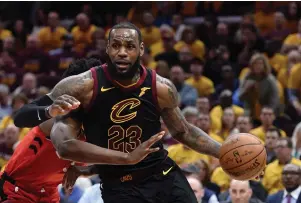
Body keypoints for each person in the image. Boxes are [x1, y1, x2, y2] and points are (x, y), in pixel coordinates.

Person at [48, 22, 223, 203]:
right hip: (120, 186)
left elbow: (183, 131)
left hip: (162, 175)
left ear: (141, 50)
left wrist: (224, 152)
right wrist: (93, 167)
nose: (122, 52)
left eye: (130, 46)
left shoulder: (159, 87)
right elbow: (65, 146)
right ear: (107, 49)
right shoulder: (82, 93)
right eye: (116, 46)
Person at [0, 58, 163, 203]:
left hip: (48, 196)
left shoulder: (101, 121)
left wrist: (82, 170)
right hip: (15, 191)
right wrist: (48, 110)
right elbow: (20, 118)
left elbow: (107, 164)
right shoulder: (59, 115)